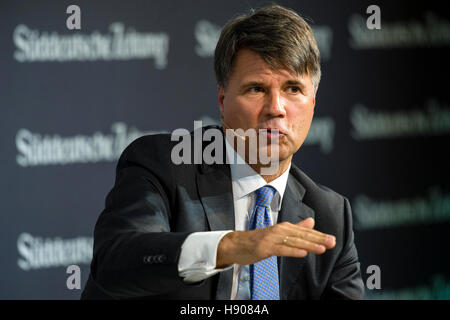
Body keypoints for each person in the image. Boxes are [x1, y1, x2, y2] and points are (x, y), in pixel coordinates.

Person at [81, 4, 364, 300]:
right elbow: (116, 262)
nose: (276, 109)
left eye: (293, 89)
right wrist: (229, 247)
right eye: (256, 89)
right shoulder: (163, 166)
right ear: (222, 100)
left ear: (313, 103)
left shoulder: (329, 215)